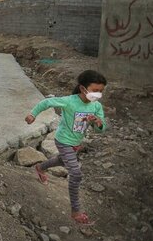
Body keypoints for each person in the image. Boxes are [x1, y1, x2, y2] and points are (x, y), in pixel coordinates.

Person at [25, 70, 107, 225]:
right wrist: (33, 114)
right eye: (95, 91)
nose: (98, 94)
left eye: (101, 91)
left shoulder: (96, 106)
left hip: (76, 143)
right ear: (83, 89)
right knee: (76, 174)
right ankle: (75, 211)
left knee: (62, 161)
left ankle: (40, 167)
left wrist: (98, 122)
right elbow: (46, 102)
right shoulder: (69, 101)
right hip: (63, 141)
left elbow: (101, 129)